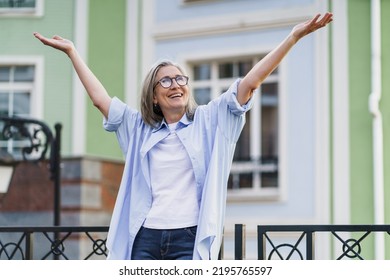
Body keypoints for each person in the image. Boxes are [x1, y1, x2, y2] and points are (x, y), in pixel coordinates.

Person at [33, 12, 333, 260]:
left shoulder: (210, 119)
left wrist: (292, 38)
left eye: (180, 78)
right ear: (153, 96)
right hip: (145, 238)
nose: (175, 83)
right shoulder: (138, 128)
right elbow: (101, 100)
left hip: (188, 239)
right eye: (165, 80)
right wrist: (73, 52)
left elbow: (250, 83)